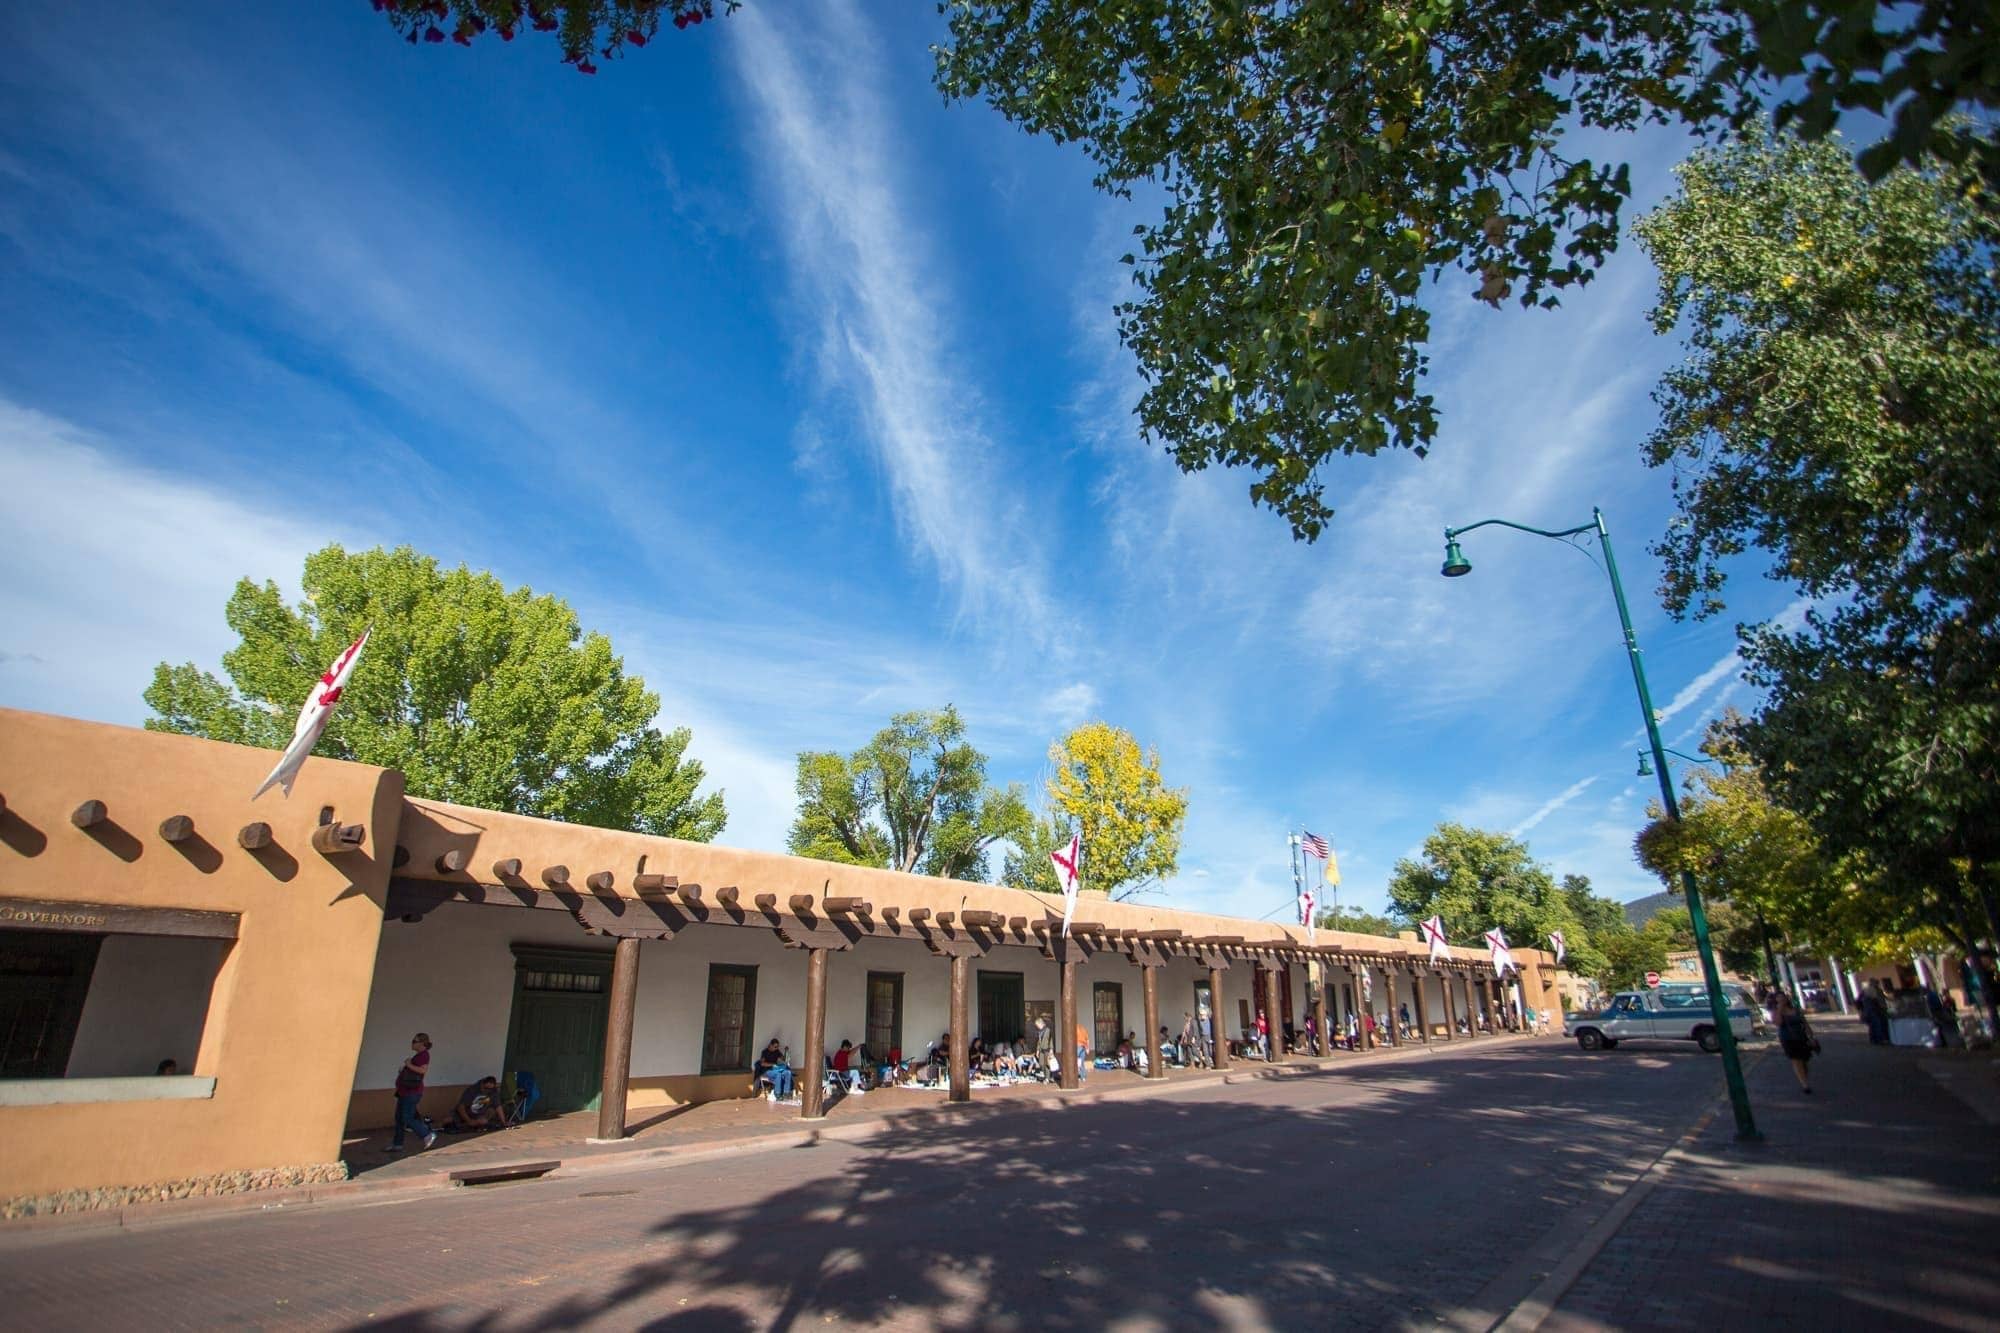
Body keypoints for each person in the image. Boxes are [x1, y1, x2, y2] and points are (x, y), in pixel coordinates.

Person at [389, 1032, 437, 1153]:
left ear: (422, 1043)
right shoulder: (418, 1056)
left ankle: (426, 1134)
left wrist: (408, 1064)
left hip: (412, 1092)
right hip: (404, 1091)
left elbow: (422, 1071)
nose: (412, 1043)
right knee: (399, 1118)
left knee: (407, 1117)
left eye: (415, 1041)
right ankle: (397, 1144)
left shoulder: (424, 1055)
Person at [1773, 991, 1816, 1093]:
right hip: (1788, 1039)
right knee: (1796, 1060)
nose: (1782, 1000)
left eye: (1783, 998)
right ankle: (1805, 1084)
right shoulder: (1776, 1011)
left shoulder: (1795, 1010)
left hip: (1801, 1037)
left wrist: (1811, 1036)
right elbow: (1778, 1023)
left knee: (1804, 1060)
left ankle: (1804, 1077)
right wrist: (1780, 1010)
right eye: (1779, 998)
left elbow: (1804, 1022)